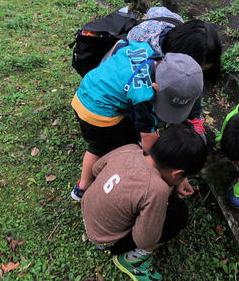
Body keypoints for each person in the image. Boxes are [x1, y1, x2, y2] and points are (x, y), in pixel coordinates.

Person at [70, 44, 203, 201]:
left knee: (98, 144)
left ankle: (82, 186)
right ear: (155, 87)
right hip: (99, 113)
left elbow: (119, 49)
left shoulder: (146, 48)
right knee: (122, 146)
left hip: (85, 92)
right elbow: (148, 141)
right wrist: (168, 169)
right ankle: (100, 185)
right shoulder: (143, 95)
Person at [81, 124, 207, 281]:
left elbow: (96, 169)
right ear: (178, 173)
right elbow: (144, 240)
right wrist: (168, 189)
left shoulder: (130, 148)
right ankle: (131, 260)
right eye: (183, 176)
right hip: (106, 240)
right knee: (179, 213)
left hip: (88, 212)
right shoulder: (156, 189)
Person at [122, 6, 221, 141]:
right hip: (137, 81)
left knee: (191, 82)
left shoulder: (177, 26)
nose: (200, 73)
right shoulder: (144, 48)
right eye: (199, 68)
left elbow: (154, 10)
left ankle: (194, 117)